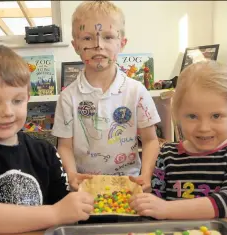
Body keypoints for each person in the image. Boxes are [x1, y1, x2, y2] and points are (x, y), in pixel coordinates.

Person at [0, 44, 94, 234]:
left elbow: (62, 203)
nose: (8, 112)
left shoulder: (45, 151)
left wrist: (78, 195)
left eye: (17, 101)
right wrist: (56, 213)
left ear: (28, 98)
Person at [52, 1, 161, 191]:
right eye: (87, 38)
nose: (98, 45)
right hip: (85, 187)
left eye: (108, 37)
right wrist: (72, 175)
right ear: (76, 45)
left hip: (129, 185)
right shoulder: (68, 97)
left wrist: (146, 175)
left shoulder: (136, 92)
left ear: (122, 43)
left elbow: (151, 140)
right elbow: (65, 146)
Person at [129, 60, 227, 219]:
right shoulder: (166, 155)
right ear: (177, 115)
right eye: (192, 116)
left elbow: (224, 202)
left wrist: (166, 209)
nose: (204, 127)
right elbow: (152, 203)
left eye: (216, 116)